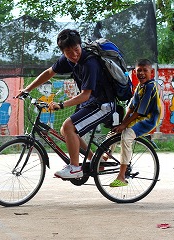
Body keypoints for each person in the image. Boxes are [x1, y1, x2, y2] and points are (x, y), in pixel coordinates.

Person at [16, 29, 115, 179]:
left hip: (103, 104)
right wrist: (28, 89)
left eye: (76, 49)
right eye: (68, 51)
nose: (74, 54)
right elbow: (49, 72)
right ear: (63, 51)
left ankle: (75, 168)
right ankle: (97, 159)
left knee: (69, 127)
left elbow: (85, 95)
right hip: (91, 102)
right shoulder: (67, 60)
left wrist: (61, 105)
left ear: (80, 45)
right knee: (65, 130)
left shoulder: (90, 63)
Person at [109, 58, 161, 187]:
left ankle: (121, 176)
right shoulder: (139, 86)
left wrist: (125, 125)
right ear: (134, 72)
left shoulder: (151, 86)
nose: (142, 73)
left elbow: (139, 111)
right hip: (137, 116)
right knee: (114, 131)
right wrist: (122, 123)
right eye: (139, 70)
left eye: (145, 70)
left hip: (147, 119)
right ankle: (106, 156)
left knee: (126, 137)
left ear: (151, 72)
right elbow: (131, 108)